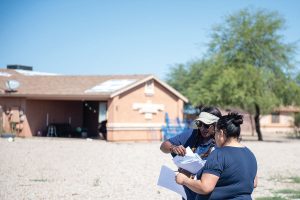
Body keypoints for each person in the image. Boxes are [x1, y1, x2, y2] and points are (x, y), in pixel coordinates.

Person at [176, 112, 258, 200]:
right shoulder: (250, 154)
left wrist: (184, 180)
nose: (214, 137)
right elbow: (254, 183)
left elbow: (205, 187)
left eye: (215, 133)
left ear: (221, 133)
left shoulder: (219, 154)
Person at [160, 106, 222, 200]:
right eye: (199, 123)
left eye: (206, 125)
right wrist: (173, 148)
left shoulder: (222, 142)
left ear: (216, 125)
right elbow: (163, 146)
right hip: (188, 195)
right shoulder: (193, 134)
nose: (202, 128)